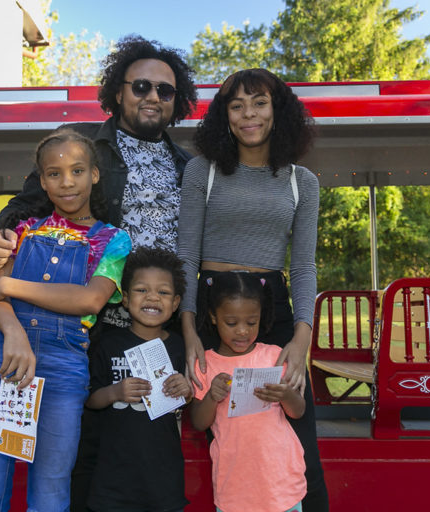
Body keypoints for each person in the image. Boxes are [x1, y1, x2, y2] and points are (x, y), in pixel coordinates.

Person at [0, 35, 198, 510]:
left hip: (157, 327)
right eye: (141, 85)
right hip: (89, 324)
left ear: (176, 101)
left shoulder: (189, 165)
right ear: (118, 92)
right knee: (82, 451)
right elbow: (27, 205)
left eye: (165, 90)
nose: (152, 97)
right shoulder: (85, 146)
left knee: (145, 448)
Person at [177, 68, 329, 511]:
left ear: (277, 111)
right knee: (220, 424)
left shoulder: (303, 182)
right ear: (224, 115)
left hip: (274, 308)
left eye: (259, 103)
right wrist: (189, 330)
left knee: (296, 427)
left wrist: (302, 338)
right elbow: (185, 256)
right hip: (209, 307)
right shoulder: (201, 172)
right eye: (237, 104)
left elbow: (302, 266)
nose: (249, 114)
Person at [0, 130, 131, 512]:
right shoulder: (20, 231)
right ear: (41, 180)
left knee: (51, 496)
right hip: (2, 361)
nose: (66, 182)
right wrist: (14, 332)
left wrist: (8, 282)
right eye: (54, 173)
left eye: (77, 170)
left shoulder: (114, 240)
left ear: (95, 175)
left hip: (64, 369)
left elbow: (89, 299)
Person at [189, 272, 306, 512]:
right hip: (234, 487)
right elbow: (199, 422)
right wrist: (212, 396)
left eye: (251, 323)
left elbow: (298, 411)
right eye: (231, 323)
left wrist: (285, 395)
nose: (242, 331)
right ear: (213, 316)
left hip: (282, 484)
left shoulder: (274, 356)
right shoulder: (205, 364)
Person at [85, 247, 191, 512]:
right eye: (142, 290)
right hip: (114, 481)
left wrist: (186, 391)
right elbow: (90, 399)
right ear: (125, 297)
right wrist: (115, 392)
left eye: (164, 292)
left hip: (163, 481)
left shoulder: (180, 348)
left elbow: (190, 403)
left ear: (176, 303)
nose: (153, 297)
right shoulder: (107, 344)